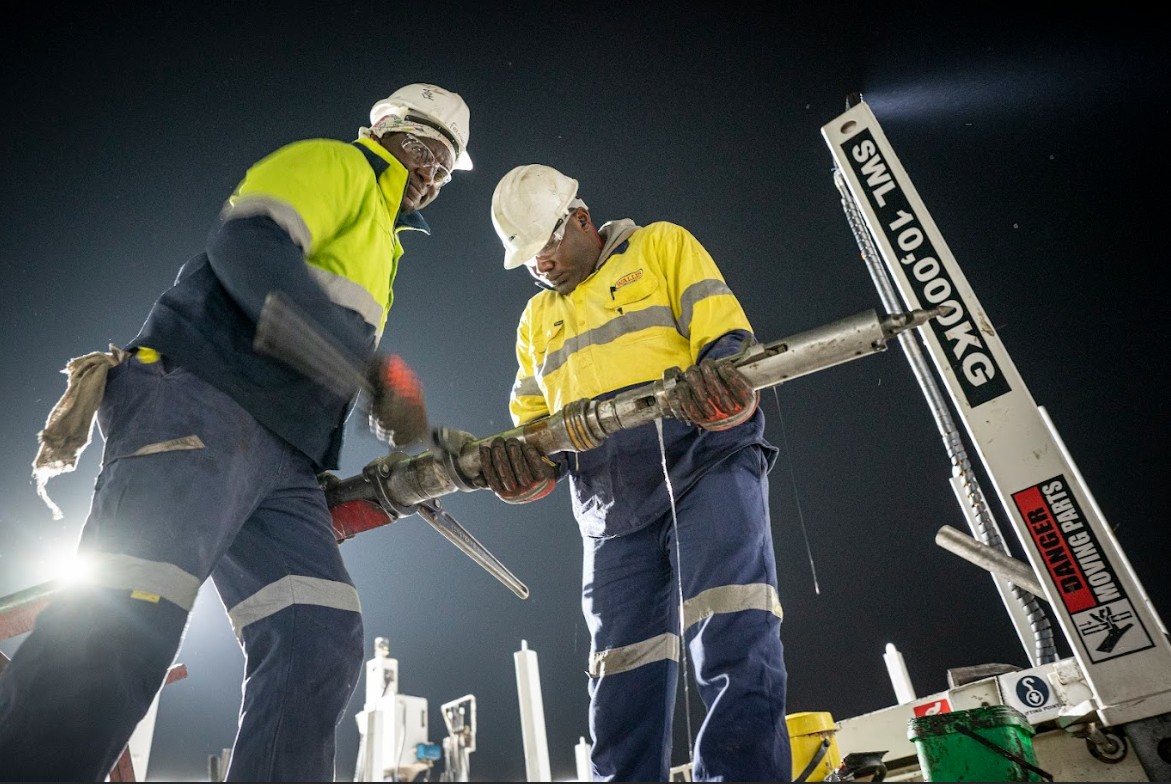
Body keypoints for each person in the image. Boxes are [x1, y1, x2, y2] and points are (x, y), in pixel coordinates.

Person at [0, 83, 473, 782]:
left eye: (446, 167)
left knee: (317, 634)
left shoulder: (384, 242)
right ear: (387, 131)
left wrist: (390, 415)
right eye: (427, 150)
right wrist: (369, 369)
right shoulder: (337, 165)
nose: (432, 175)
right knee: (129, 614)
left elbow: (321, 346)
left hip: (285, 460)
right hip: (201, 403)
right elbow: (247, 246)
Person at [479, 164, 792, 781]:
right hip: (609, 503)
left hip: (705, 462)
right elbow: (532, 428)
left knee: (731, 626)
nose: (540, 264)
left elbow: (727, 341)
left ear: (580, 220)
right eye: (529, 257)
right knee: (622, 669)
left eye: (545, 245)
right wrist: (519, 465)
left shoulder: (659, 246)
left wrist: (721, 378)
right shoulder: (537, 318)